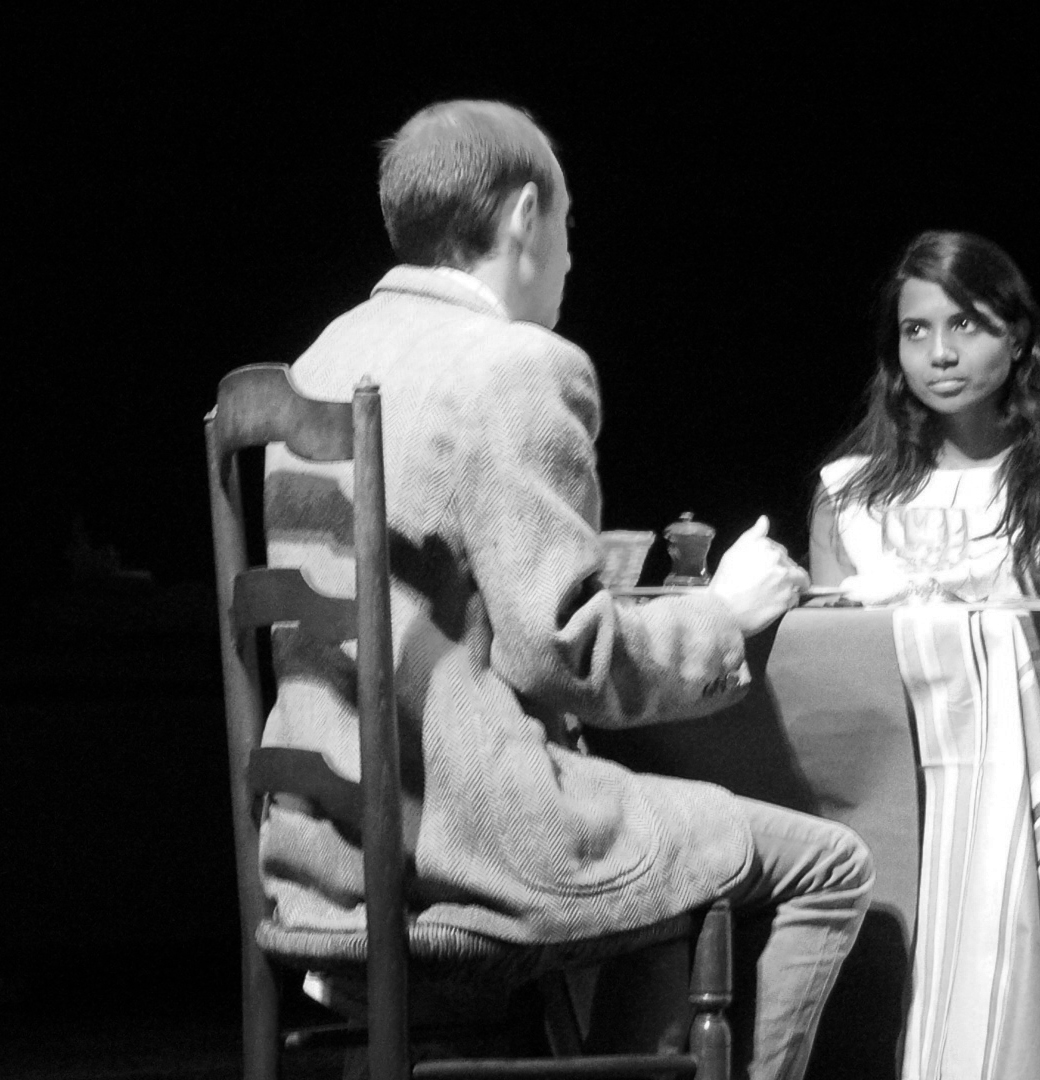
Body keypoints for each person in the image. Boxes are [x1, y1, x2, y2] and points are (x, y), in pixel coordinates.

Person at [259, 100, 871, 1080]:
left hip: (321, 857)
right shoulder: (514, 365)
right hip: (470, 852)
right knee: (829, 864)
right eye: (569, 225)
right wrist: (724, 613)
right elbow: (566, 658)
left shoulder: (325, 356)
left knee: (668, 854)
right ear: (524, 215)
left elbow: (439, 588)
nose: (572, 256)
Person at [809, 230, 1040, 600]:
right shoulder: (846, 494)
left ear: (1017, 338)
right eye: (916, 331)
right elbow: (831, 635)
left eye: (964, 324)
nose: (940, 354)